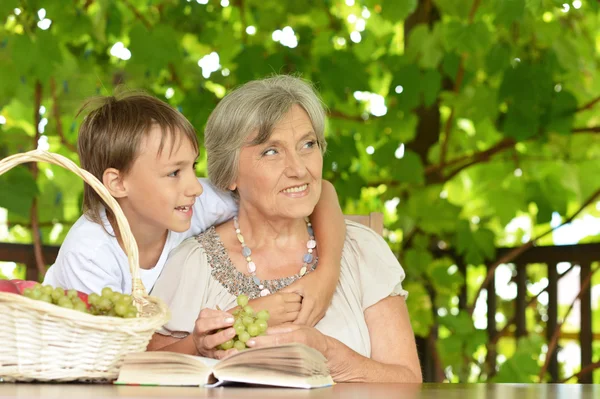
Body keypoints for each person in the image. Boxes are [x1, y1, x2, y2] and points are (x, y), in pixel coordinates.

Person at [149, 76, 422, 383]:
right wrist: (199, 345)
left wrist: (329, 354)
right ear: (229, 173)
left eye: (308, 145)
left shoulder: (361, 250)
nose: (299, 169)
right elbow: (142, 370)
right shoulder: (193, 262)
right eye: (271, 151)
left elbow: (408, 381)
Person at [43, 89, 347, 326]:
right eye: (174, 173)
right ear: (118, 183)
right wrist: (239, 319)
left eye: (192, 167)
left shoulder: (193, 204)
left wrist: (327, 273)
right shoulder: (90, 255)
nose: (196, 186)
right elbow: (113, 359)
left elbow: (323, 194)